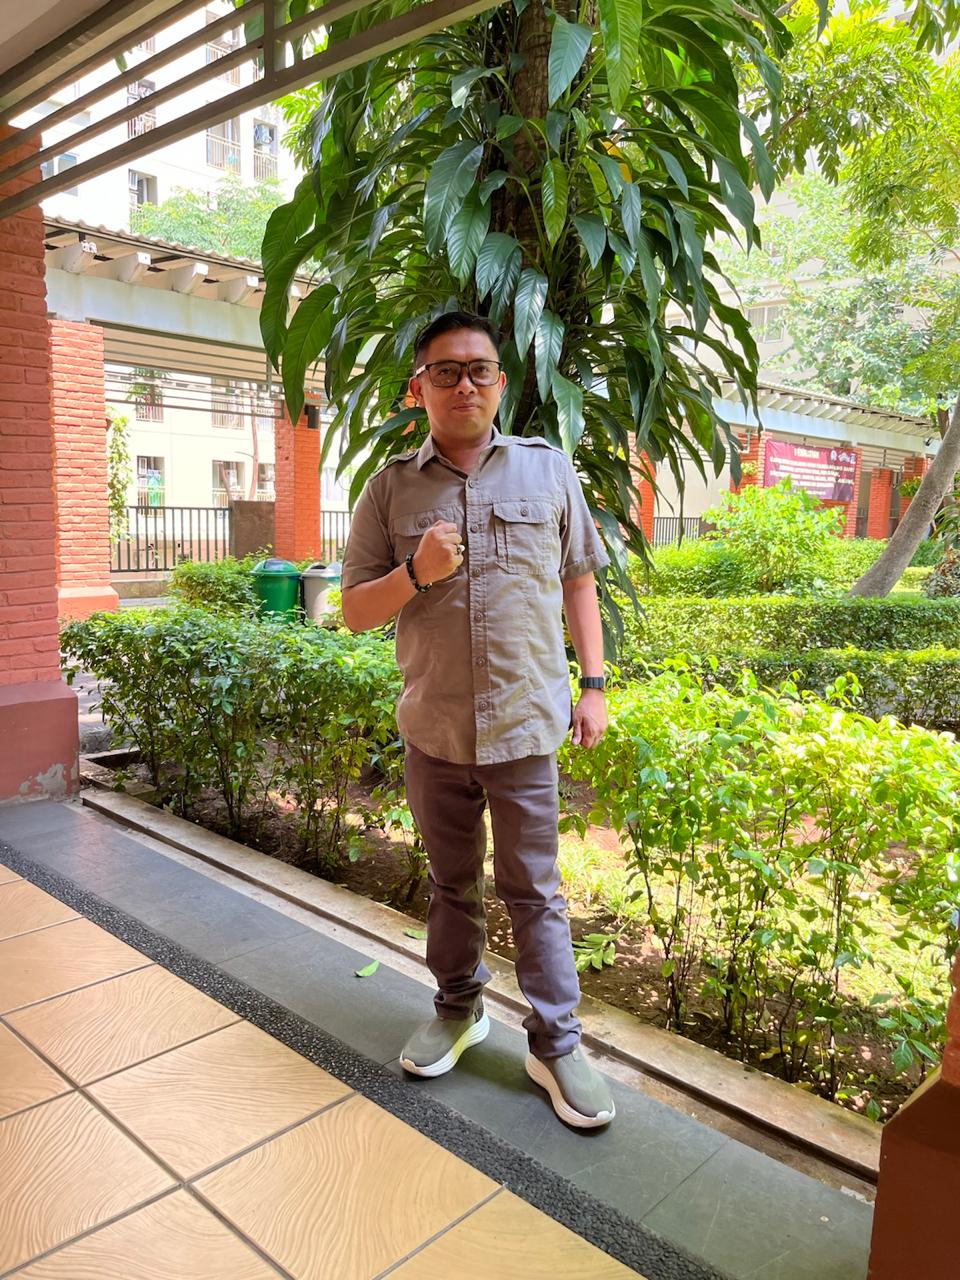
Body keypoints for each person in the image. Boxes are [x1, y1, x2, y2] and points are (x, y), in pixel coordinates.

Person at [340, 311, 615, 1128]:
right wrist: (416, 572)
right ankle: (459, 1009)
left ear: (500, 382)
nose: (465, 384)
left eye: (480, 370)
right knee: (450, 883)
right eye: (447, 371)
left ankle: (556, 1044)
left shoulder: (547, 470)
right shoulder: (389, 489)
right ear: (418, 387)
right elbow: (354, 612)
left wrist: (594, 685)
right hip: (436, 727)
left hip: (525, 726)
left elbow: (578, 581)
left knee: (536, 891)